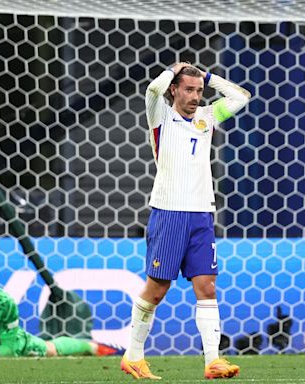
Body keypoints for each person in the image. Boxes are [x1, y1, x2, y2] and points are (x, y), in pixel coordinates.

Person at [120, 63, 250, 380]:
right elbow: (152, 90)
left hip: (202, 214)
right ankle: (133, 356)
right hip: (169, 212)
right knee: (157, 289)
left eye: (198, 91)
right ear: (174, 89)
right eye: (188, 89)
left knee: (206, 286)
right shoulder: (161, 116)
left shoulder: (207, 117)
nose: (194, 96)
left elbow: (240, 96)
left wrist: (207, 77)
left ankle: (213, 360)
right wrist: (172, 70)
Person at [0, 256, 121, 357]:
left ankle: (90, 347)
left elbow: (9, 347)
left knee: (49, 350)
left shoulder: (5, 303)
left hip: (13, 342)